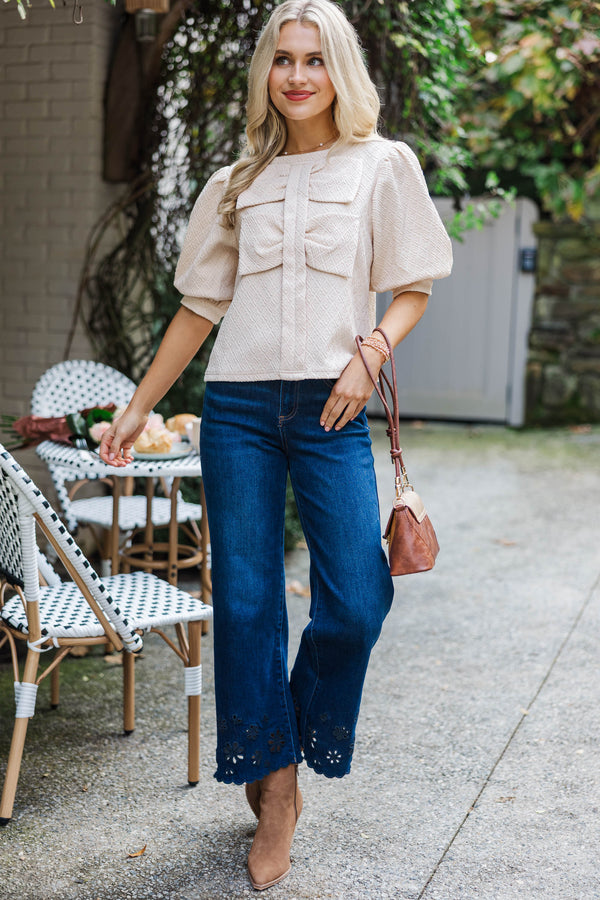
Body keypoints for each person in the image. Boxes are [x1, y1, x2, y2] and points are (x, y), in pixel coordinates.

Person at [100, 0, 452, 890]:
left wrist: (367, 356)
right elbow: (200, 307)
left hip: (335, 405)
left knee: (357, 600)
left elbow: (411, 285)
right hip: (239, 409)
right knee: (251, 604)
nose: (298, 76)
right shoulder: (236, 182)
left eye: (315, 60)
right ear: (266, 72)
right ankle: (278, 788)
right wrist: (138, 409)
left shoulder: (382, 166)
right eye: (283, 60)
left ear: (341, 71)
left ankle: (278, 737)